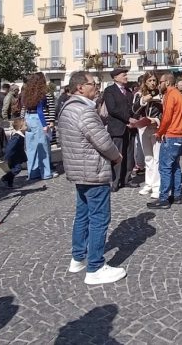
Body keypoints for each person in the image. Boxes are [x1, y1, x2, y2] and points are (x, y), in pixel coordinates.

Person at [57, 70, 126, 285]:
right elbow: (102, 141)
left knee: (83, 214)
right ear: (80, 87)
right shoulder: (84, 111)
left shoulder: (66, 109)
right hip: (92, 170)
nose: (96, 87)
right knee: (99, 218)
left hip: (79, 170)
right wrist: (117, 156)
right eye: (92, 84)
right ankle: (95, 267)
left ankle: (78, 257)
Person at [147, 73, 182, 209]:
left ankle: (163, 199)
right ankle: (176, 196)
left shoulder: (170, 95)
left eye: (161, 82)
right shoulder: (181, 96)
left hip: (171, 135)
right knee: (175, 167)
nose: (159, 84)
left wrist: (160, 132)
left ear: (168, 82)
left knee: (164, 168)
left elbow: (167, 117)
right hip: (179, 136)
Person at [102, 67, 137, 192]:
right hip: (117, 128)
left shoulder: (128, 91)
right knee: (118, 155)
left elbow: (132, 108)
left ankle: (127, 178)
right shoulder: (109, 91)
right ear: (115, 77)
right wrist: (128, 119)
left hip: (129, 129)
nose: (126, 77)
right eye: (123, 75)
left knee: (129, 154)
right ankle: (115, 181)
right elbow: (112, 109)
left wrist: (134, 120)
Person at [21, 72, 56, 181]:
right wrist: (48, 123)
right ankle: (46, 173)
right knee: (43, 147)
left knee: (31, 148)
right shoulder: (44, 93)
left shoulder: (27, 93)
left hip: (28, 118)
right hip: (39, 120)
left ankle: (32, 172)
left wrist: (23, 121)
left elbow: (23, 108)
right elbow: (43, 110)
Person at [135, 72, 162, 198]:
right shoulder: (139, 94)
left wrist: (157, 120)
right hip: (143, 128)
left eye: (154, 81)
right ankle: (149, 183)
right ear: (145, 82)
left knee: (157, 157)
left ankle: (157, 185)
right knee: (148, 157)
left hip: (156, 127)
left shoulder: (161, 94)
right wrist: (142, 101)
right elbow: (134, 110)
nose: (153, 83)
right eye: (150, 80)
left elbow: (165, 112)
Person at [0, 118, 28, 188]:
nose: (27, 126)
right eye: (25, 125)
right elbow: (10, 147)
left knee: (13, 169)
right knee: (17, 169)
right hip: (13, 157)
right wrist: (6, 157)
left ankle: (10, 184)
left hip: (16, 156)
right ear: (21, 128)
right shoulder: (17, 137)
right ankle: (5, 178)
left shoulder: (20, 135)